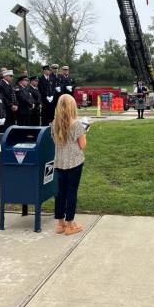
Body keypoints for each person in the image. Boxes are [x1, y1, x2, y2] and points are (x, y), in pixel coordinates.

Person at [51, 94, 86, 236]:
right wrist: (85, 133)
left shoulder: (54, 123)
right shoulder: (77, 124)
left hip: (59, 162)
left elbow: (55, 142)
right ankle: (70, 224)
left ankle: (60, 223)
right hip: (74, 162)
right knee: (72, 192)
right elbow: (82, 145)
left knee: (60, 193)